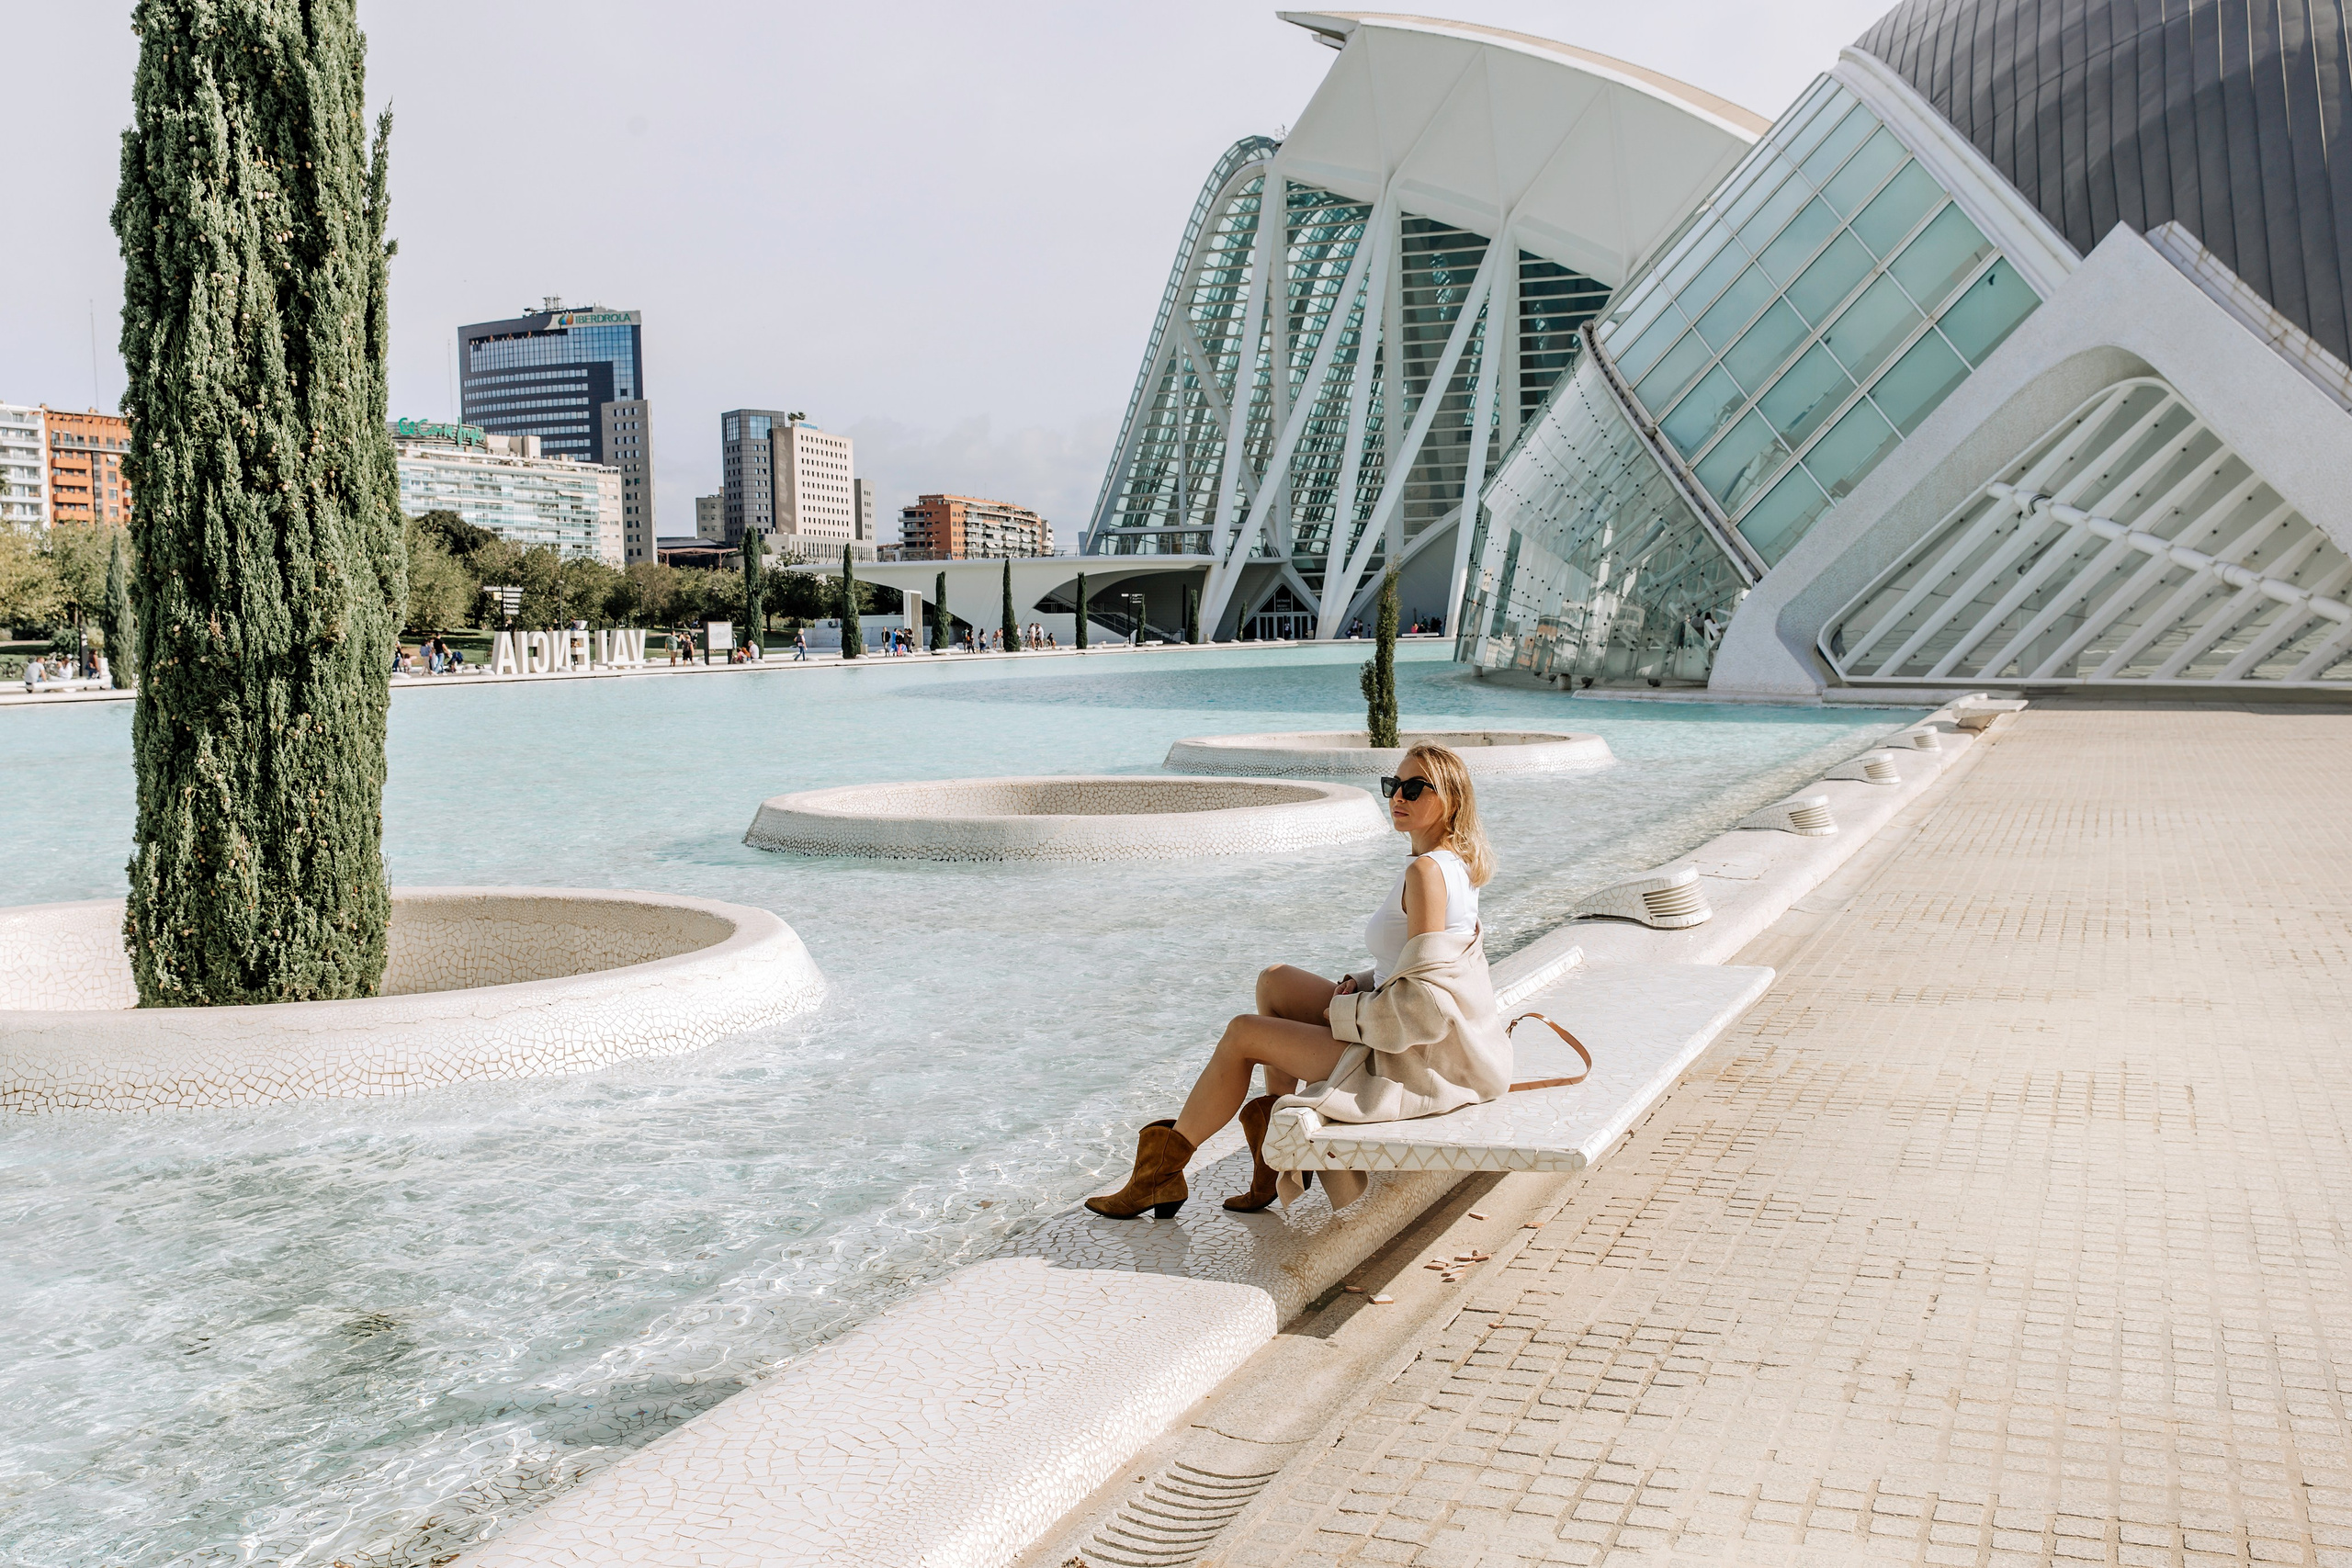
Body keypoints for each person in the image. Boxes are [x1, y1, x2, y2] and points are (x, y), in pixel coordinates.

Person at [1085, 743, 1509, 1219]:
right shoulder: (1452, 864)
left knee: (1242, 1034)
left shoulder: (1426, 872)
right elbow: (1422, 966)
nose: (1398, 797)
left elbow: (1422, 1004)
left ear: (1451, 799)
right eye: (1393, 785)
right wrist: (1361, 982)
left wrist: (1345, 1012)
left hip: (1399, 1059)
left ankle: (1159, 1177)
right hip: (1393, 1029)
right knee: (1274, 981)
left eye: (1414, 788)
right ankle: (1271, 1160)